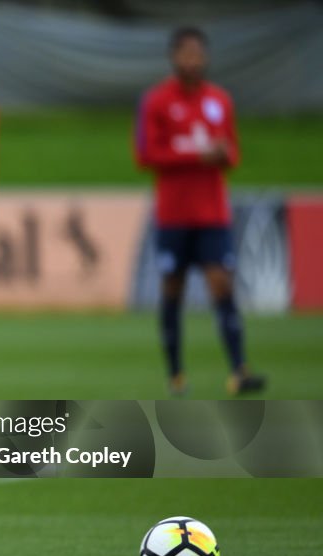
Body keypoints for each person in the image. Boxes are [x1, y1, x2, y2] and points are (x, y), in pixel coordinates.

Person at [135, 26, 265, 397]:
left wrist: (222, 154)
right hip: (173, 215)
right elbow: (146, 155)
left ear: (205, 58)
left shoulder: (219, 101)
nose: (192, 60)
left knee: (221, 283)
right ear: (174, 58)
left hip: (212, 213)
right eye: (186, 54)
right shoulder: (156, 101)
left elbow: (234, 153)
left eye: (198, 53)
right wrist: (196, 155)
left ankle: (240, 369)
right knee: (172, 289)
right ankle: (176, 375)